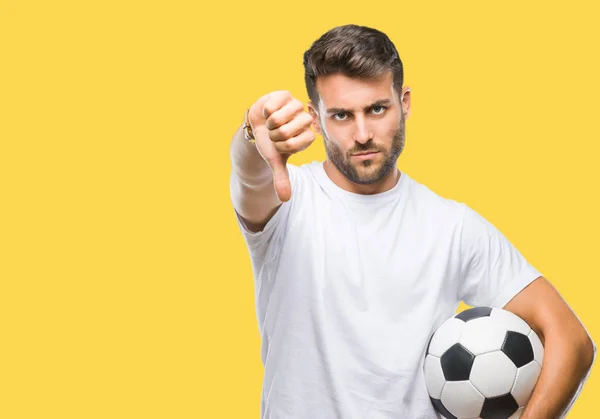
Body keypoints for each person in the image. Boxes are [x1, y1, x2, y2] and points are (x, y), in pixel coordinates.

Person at [229, 24, 595, 419]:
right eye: (341, 115)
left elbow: (571, 340)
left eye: (377, 108)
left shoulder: (451, 226)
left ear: (404, 103)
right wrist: (252, 137)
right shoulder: (289, 202)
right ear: (315, 119)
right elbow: (251, 176)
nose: (363, 133)